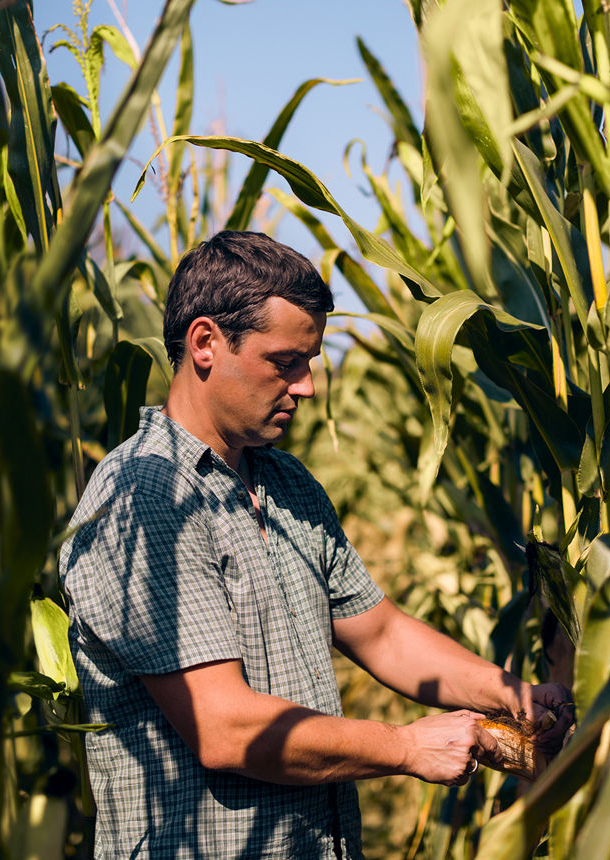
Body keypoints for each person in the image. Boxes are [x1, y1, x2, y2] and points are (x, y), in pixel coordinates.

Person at [59, 231, 573, 859]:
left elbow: (380, 634)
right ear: (204, 344)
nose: (305, 387)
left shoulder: (287, 483)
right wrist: (408, 747)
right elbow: (223, 727)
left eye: (311, 362)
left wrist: (510, 694)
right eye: (285, 362)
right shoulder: (143, 499)